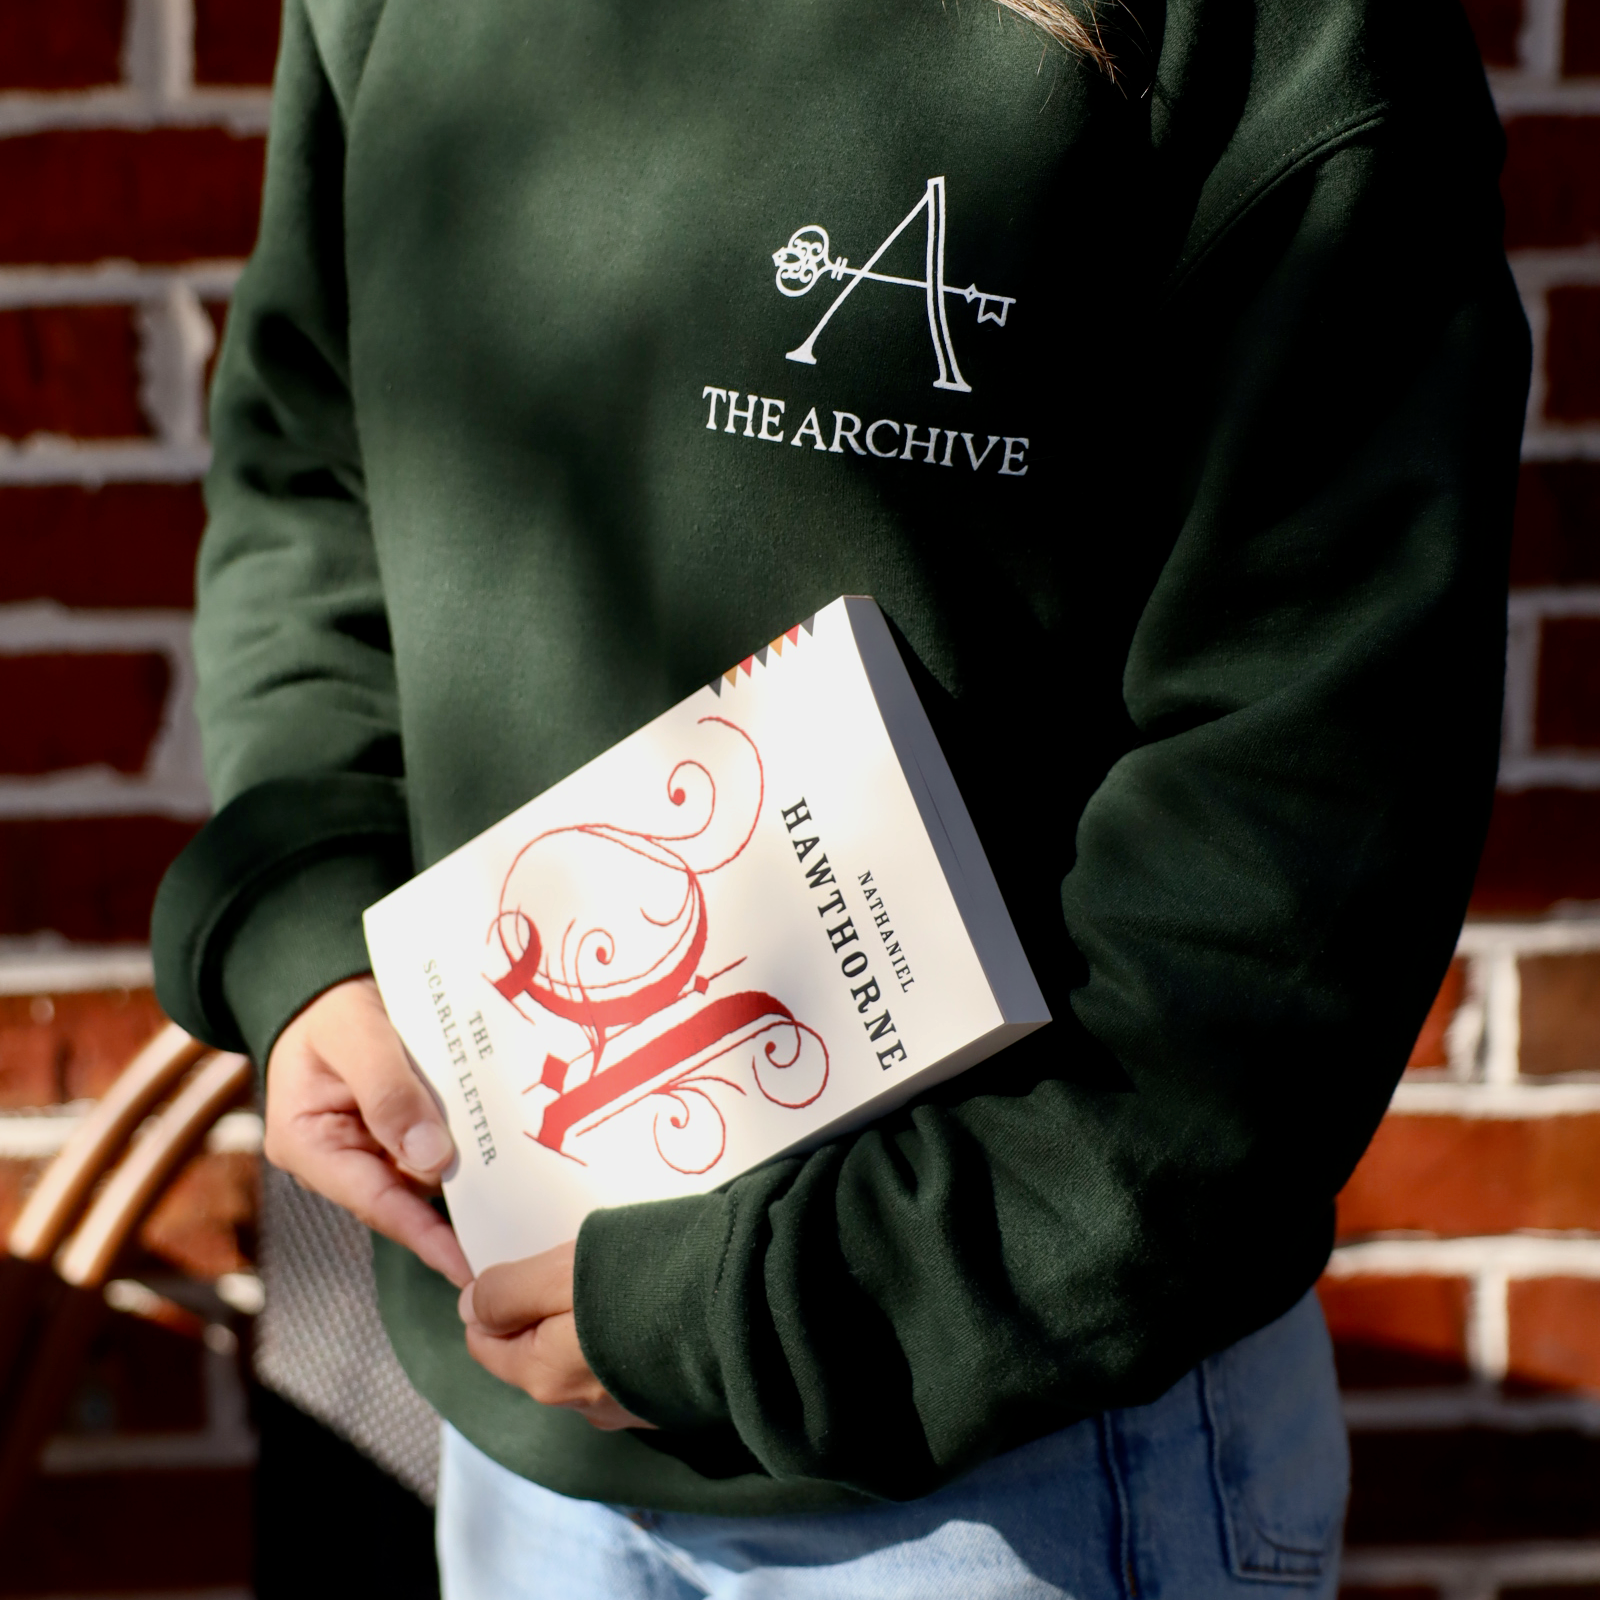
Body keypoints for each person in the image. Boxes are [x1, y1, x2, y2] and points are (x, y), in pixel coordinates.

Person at [152, 0, 1530, 1591]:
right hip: (517, 1435)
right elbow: (311, 467)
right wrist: (319, 928)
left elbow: (1296, 824)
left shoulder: (1286, 41)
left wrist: (787, 1315)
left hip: (1011, 1478)